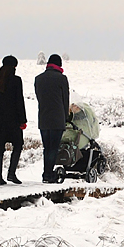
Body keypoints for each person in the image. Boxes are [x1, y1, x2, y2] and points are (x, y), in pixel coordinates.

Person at [0, 55, 27, 186]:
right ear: (15, 66)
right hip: (13, 120)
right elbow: (19, 101)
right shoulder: (16, 80)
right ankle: (11, 174)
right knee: (18, 145)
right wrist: (23, 119)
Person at [34, 54, 69, 183]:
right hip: (57, 118)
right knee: (53, 148)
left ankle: (46, 173)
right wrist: (66, 117)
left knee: (46, 148)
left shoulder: (38, 79)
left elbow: (39, 98)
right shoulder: (62, 79)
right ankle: (48, 175)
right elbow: (65, 100)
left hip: (43, 117)